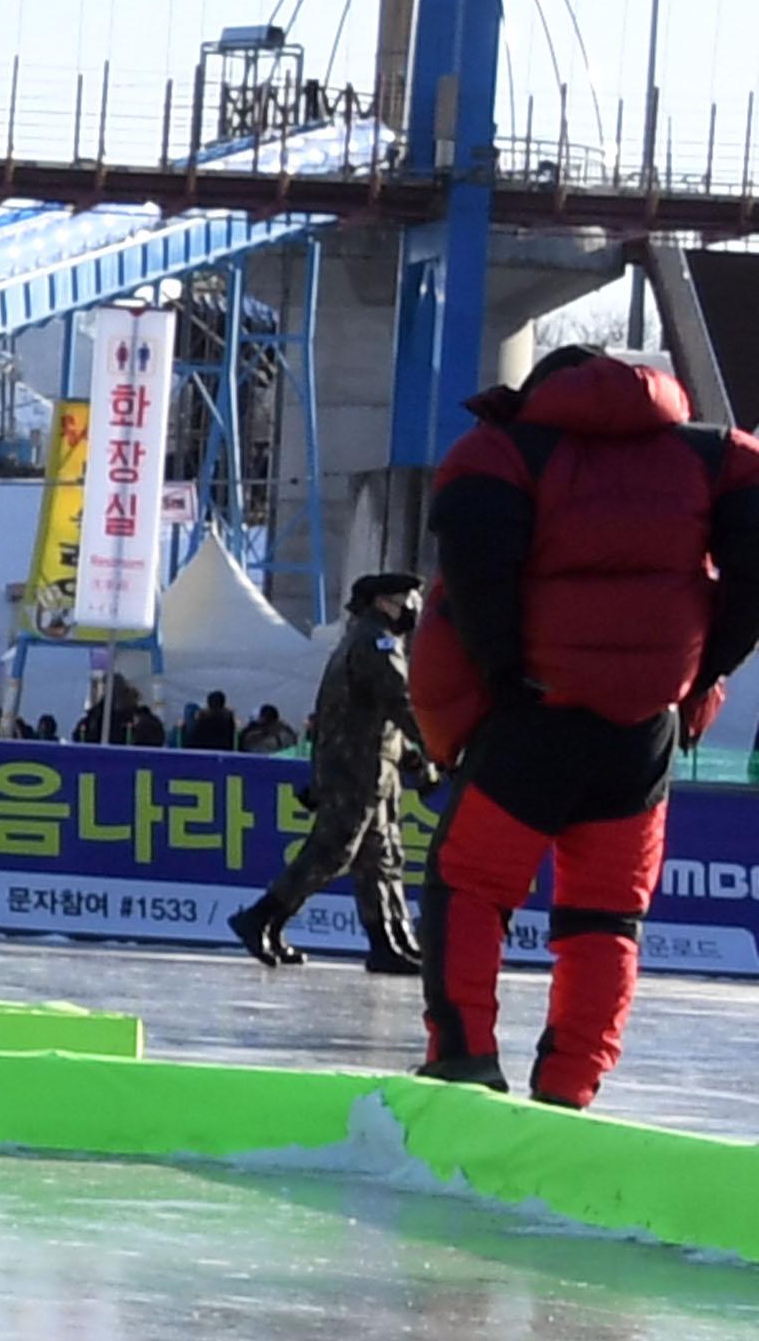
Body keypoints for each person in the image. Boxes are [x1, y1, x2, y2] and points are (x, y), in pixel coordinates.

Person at [407, 344, 759, 1106]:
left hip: (534, 717)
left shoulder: (508, 453)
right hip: (643, 733)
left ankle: (464, 1057)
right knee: (606, 916)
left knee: (469, 885)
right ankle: (571, 1086)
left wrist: (500, 679)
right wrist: (707, 667)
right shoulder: (709, 456)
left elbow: (474, 576)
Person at [229, 573, 424, 975]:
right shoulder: (375, 643)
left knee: (381, 858)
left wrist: (414, 760)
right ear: (382, 603)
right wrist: (439, 744)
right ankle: (261, 918)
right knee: (332, 852)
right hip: (356, 768)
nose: (411, 607)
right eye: (404, 599)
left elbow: (381, 716)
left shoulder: (363, 640)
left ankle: (388, 941)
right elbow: (400, 702)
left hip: (371, 766)